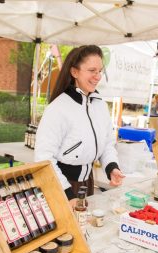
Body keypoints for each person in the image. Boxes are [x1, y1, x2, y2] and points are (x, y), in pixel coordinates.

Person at [34, 45, 124, 207]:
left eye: (100, 71)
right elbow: (43, 158)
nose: (98, 76)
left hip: (87, 183)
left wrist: (112, 167)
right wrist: (67, 194)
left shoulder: (99, 104)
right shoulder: (58, 108)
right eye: (92, 70)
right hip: (63, 186)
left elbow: (107, 143)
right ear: (74, 72)